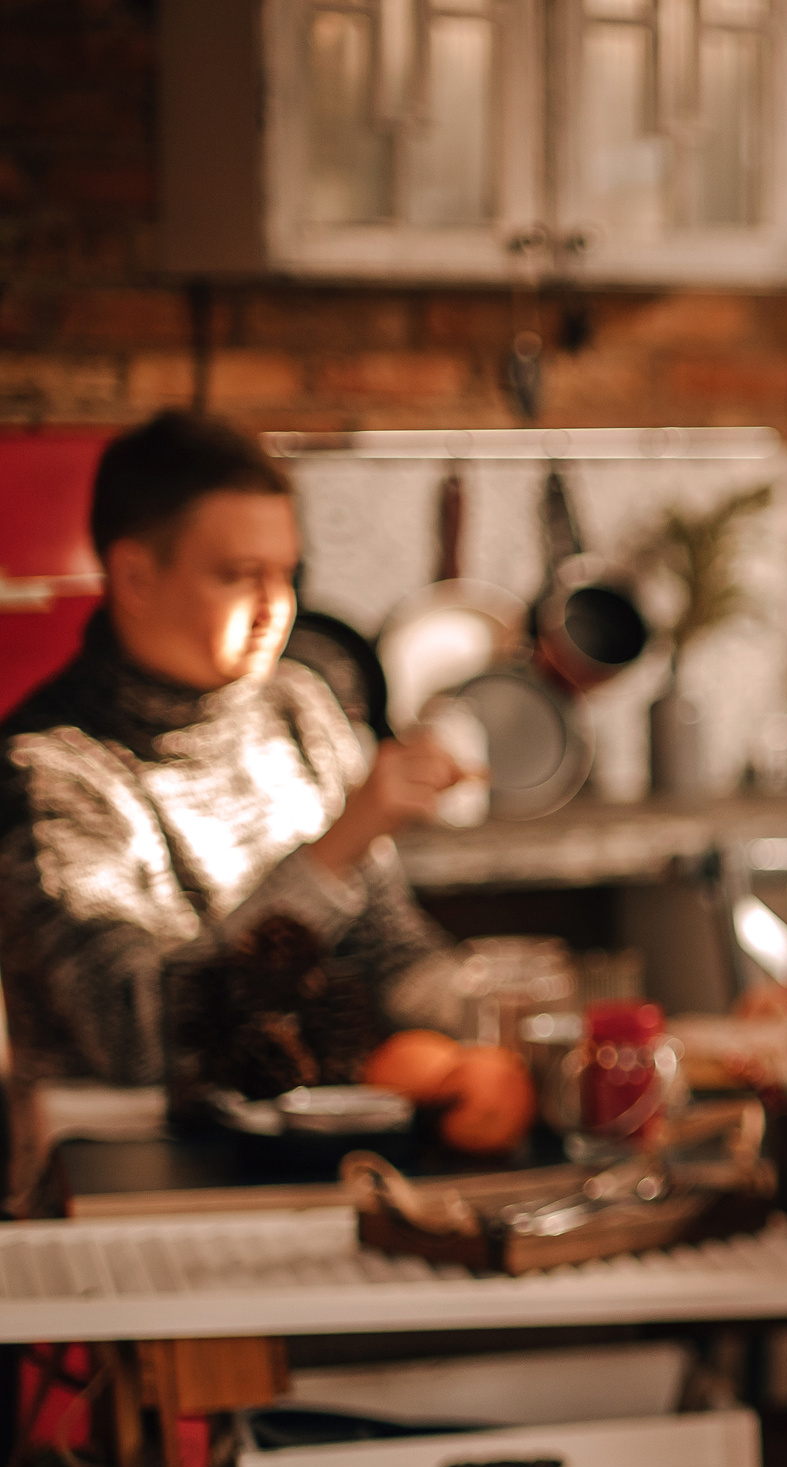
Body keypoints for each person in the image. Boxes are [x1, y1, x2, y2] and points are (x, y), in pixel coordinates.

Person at [0, 413, 464, 1202]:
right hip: (130, 1189)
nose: (274, 606)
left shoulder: (298, 705)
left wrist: (493, 1014)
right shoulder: (47, 769)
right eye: (237, 574)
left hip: (321, 1164)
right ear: (135, 577)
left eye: (286, 573)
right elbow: (140, 1032)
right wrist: (334, 851)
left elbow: (385, 945)